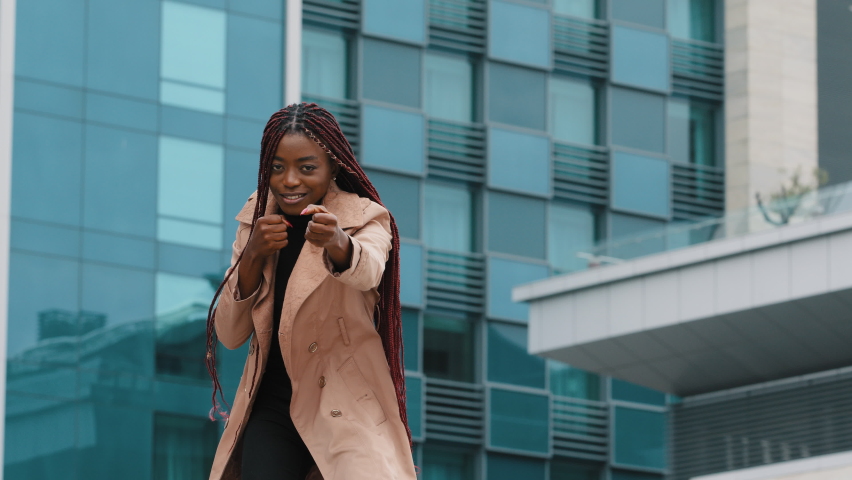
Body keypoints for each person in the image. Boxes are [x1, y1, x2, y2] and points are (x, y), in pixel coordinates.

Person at [205, 103, 416, 480]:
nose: (289, 181)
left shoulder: (365, 216)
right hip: (270, 406)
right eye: (276, 167)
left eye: (306, 168)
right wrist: (252, 254)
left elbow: (369, 270)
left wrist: (337, 241)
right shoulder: (255, 219)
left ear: (333, 166)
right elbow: (230, 334)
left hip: (346, 403)